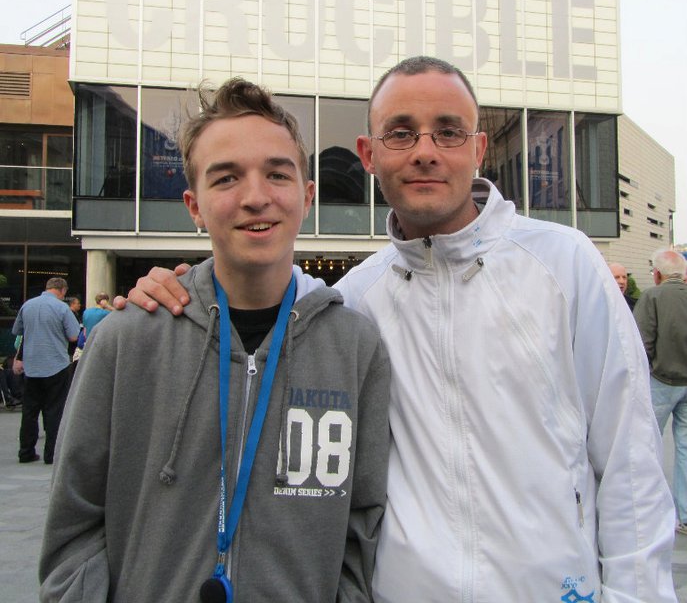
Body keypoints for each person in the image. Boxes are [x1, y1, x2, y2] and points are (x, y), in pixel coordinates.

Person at [121, 56, 677, 602]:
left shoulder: (565, 265)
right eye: (401, 133)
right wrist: (177, 288)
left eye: (449, 132)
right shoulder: (355, 299)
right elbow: (257, 289)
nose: (425, 151)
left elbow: (629, 460)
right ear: (369, 154)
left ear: (479, 149)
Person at [39, 78, 390, 603]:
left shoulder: (356, 348)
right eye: (226, 178)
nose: (256, 197)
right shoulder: (126, 341)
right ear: (194, 205)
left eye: (277, 174)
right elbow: (73, 523)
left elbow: (362, 524)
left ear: (307, 197)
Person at [633, 249, 687, 535]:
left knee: (647, 445)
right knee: (685, 448)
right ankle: (686, 514)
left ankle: (650, 511)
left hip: (661, 381)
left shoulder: (652, 297)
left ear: (657, 274)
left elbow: (642, 341)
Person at [11, 277, 80, 464]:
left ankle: (25, 452)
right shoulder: (62, 308)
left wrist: (20, 358)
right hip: (56, 364)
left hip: (32, 365)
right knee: (54, 410)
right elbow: (74, 336)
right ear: (62, 290)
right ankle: (51, 454)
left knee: (29, 411)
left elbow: (18, 331)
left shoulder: (27, 305)